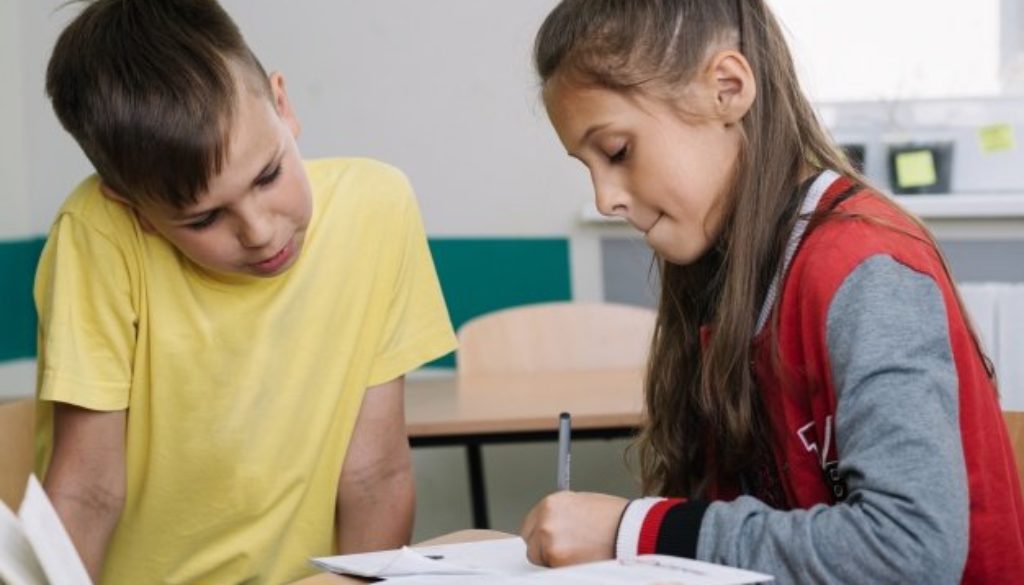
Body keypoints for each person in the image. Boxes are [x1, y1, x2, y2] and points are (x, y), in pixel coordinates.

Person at [520, 1, 1024, 583]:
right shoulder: (725, 270)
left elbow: (909, 550)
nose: (606, 198)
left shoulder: (866, 269)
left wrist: (634, 530)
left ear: (727, 89)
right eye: (589, 168)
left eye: (616, 152)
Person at [35, 1, 456, 583]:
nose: (260, 233)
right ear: (135, 208)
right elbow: (88, 491)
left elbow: (374, 475)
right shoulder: (97, 232)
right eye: (203, 219)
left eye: (268, 176)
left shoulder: (378, 208)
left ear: (283, 105)